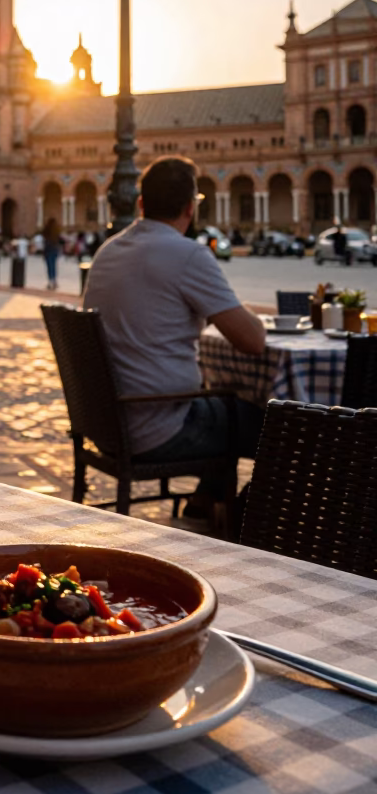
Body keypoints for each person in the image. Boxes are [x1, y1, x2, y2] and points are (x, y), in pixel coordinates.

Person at [83, 156, 266, 526]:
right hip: (161, 426)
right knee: (289, 429)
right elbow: (253, 340)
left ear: (141, 203)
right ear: (190, 208)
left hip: (107, 425)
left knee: (223, 410)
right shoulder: (188, 254)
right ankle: (246, 518)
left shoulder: (108, 250)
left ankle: (204, 503)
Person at [42, 217, 60, 290]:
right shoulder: (56, 231)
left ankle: (50, 281)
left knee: (49, 266)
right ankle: (54, 281)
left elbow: (44, 239)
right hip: (54, 249)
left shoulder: (47, 231)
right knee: (54, 266)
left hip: (48, 249)